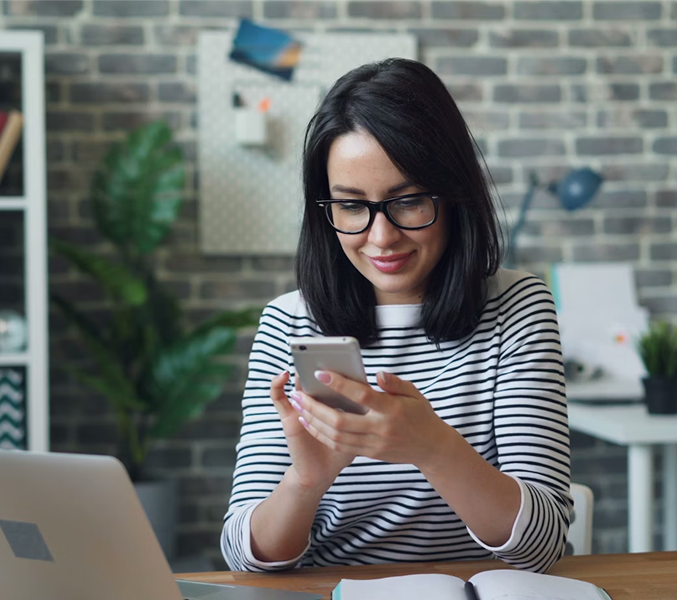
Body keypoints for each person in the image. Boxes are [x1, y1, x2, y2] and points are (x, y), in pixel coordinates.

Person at [221, 58, 571, 574]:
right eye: (352, 206)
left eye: (407, 202)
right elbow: (242, 556)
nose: (381, 238)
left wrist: (433, 448)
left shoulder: (517, 308)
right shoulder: (290, 321)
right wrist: (306, 480)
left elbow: (543, 546)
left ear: (454, 196)